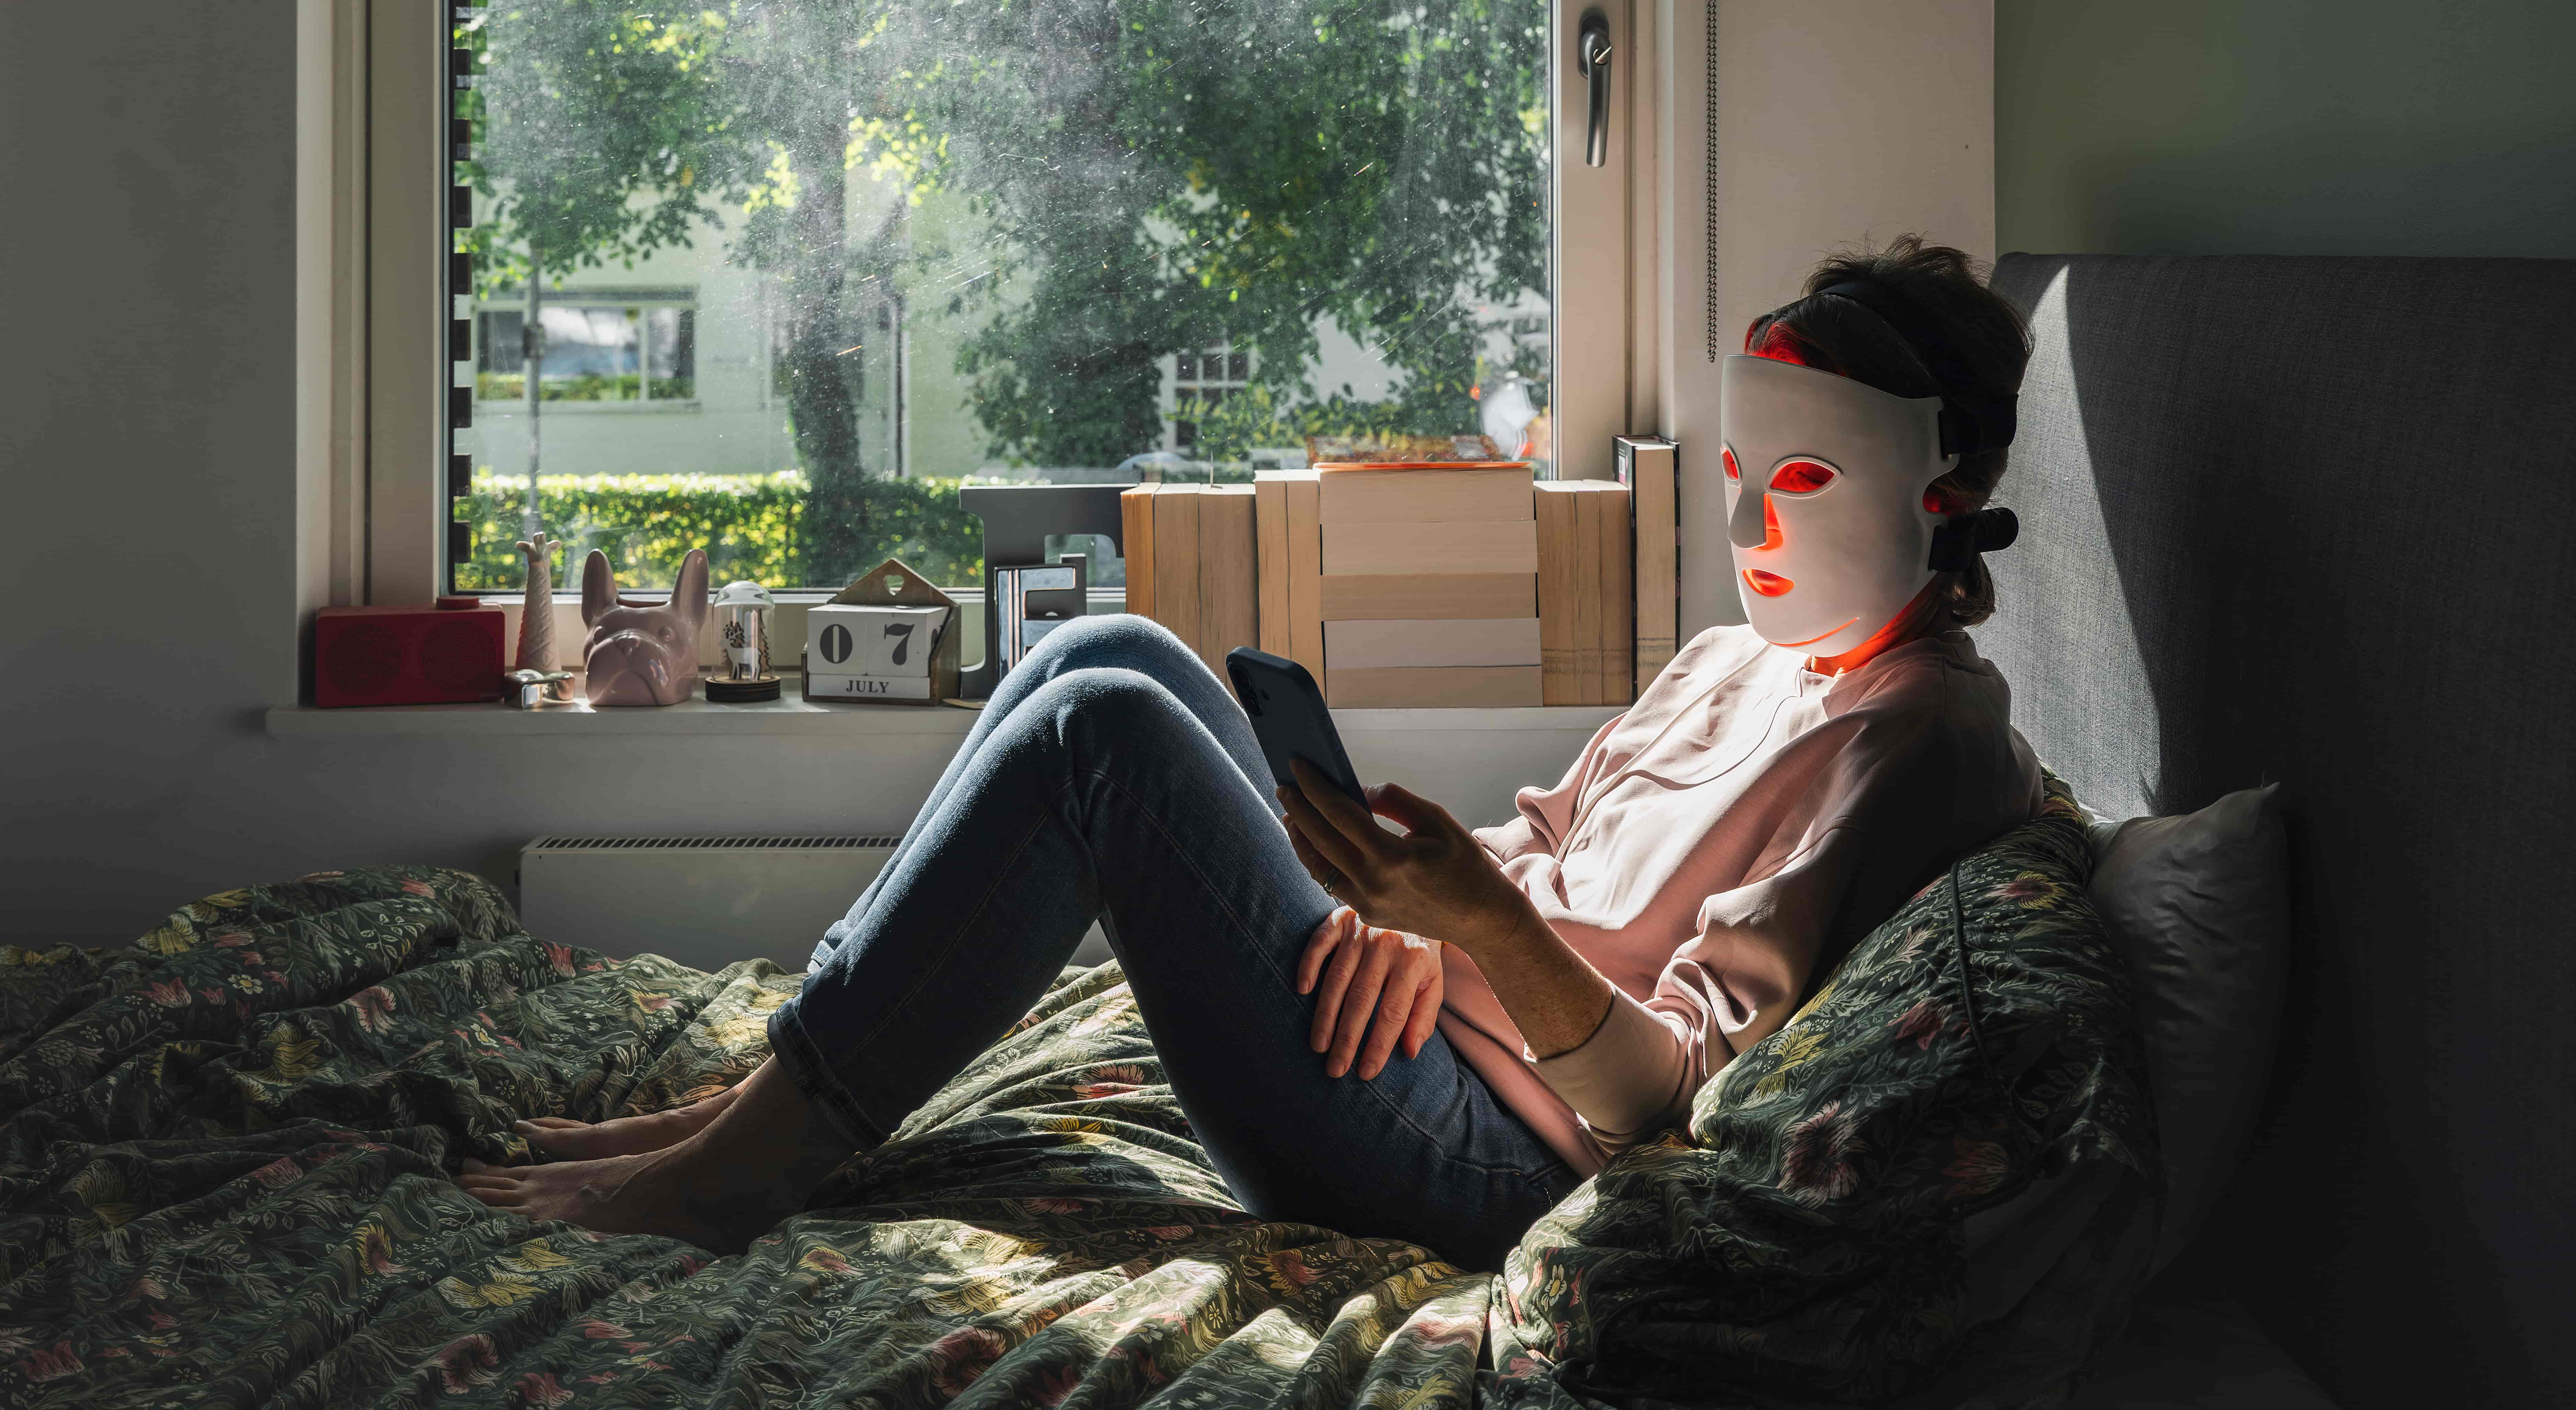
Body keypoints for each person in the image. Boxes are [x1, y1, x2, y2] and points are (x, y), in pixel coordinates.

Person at [460, 236, 2042, 1271]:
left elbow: (1679, 1104)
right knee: (1111, 651)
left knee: (1101, 740)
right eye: (1745, 468)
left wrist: (1475, 935)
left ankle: (745, 1165)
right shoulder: (1736, 656)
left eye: (1805, 481)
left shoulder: (1926, 742)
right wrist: (1420, 926)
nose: (1753, 519)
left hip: (1500, 1158)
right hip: (1436, 1018)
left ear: (1948, 497)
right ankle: (778, 1086)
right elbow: (1548, 846)